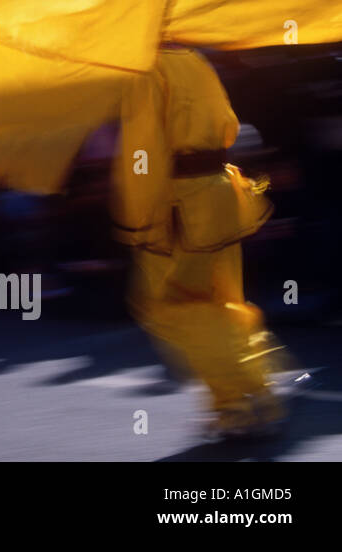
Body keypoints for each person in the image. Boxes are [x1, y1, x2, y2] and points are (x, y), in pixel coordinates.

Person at [111, 45, 285, 439]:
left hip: (179, 207)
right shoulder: (195, 59)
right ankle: (242, 400)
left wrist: (138, 222)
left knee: (173, 308)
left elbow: (141, 153)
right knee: (222, 301)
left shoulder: (145, 69)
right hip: (220, 197)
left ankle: (243, 395)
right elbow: (228, 125)